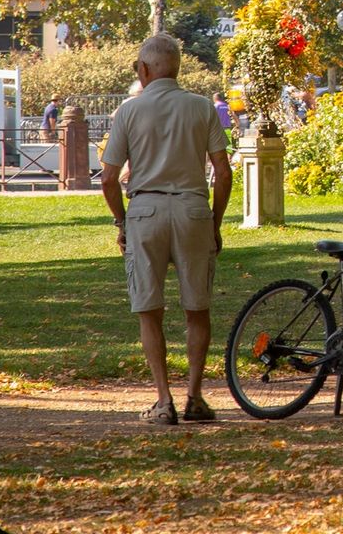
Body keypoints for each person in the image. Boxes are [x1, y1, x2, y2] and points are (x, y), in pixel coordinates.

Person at [102, 35, 232, 426]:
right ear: (176, 67)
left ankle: (163, 400)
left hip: (145, 210)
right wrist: (215, 221)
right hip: (193, 210)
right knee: (197, 308)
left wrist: (121, 222)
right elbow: (223, 173)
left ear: (144, 70)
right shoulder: (201, 107)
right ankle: (195, 396)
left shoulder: (129, 111)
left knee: (149, 309)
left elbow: (108, 178)